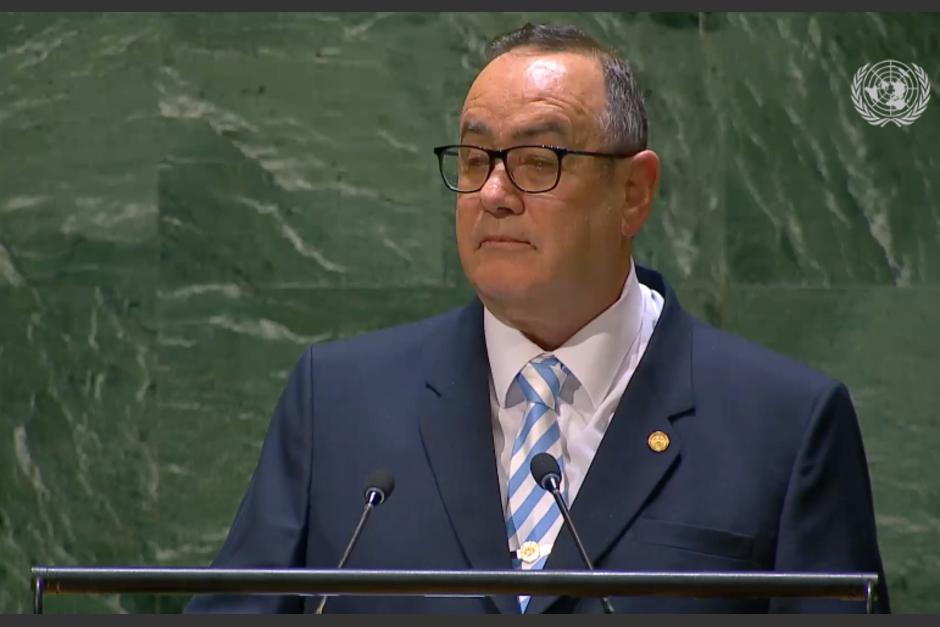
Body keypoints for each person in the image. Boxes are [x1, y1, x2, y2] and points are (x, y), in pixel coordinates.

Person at [185, 23, 889, 613]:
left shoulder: (787, 425)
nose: (493, 192)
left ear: (634, 193)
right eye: (473, 158)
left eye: (536, 160)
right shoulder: (338, 402)